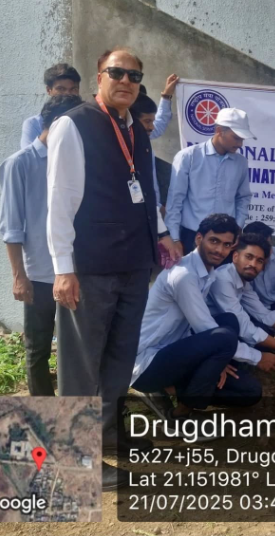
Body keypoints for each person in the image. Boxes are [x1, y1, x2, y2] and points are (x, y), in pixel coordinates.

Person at [46, 47, 181, 490]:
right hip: (90, 265)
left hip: (134, 263)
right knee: (81, 365)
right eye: (117, 73)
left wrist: (161, 233)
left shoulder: (136, 129)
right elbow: (59, 201)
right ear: (99, 77)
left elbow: (145, 188)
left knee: (120, 360)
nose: (126, 81)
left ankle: (105, 436)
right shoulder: (74, 124)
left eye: (134, 76)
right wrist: (63, 268)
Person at [131, 214, 259, 426]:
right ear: (199, 239)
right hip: (147, 364)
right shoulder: (184, 275)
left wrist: (218, 362)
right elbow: (205, 327)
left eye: (226, 245)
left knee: (250, 391)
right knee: (225, 337)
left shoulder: (208, 273)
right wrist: (258, 357)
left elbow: (202, 328)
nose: (219, 250)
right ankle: (181, 414)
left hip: (175, 354)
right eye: (214, 241)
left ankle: (172, 389)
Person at [1, 95, 83, 396]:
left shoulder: (77, 160)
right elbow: (11, 227)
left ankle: (75, 412)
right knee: (38, 349)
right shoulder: (19, 164)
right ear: (58, 124)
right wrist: (19, 276)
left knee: (78, 350)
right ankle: (44, 414)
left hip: (76, 271)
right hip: (39, 274)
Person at [209, 233, 275, 370]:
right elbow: (244, 328)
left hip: (228, 330)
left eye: (259, 261)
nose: (253, 264)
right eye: (249, 257)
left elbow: (263, 314)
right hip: (208, 336)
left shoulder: (243, 281)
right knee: (251, 332)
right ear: (235, 256)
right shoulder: (223, 279)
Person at [165, 108, 255, 255]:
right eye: (236, 138)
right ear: (219, 131)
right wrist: (175, 238)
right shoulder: (188, 157)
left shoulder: (241, 162)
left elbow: (243, 197)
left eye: (242, 139)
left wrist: (238, 228)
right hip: (191, 236)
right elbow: (175, 200)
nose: (240, 144)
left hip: (227, 238)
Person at [20, 64, 81, 149]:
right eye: (61, 89)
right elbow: (30, 155)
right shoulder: (34, 124)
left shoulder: (86, 120)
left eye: (73, 89)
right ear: (49, 90)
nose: (67, 94)